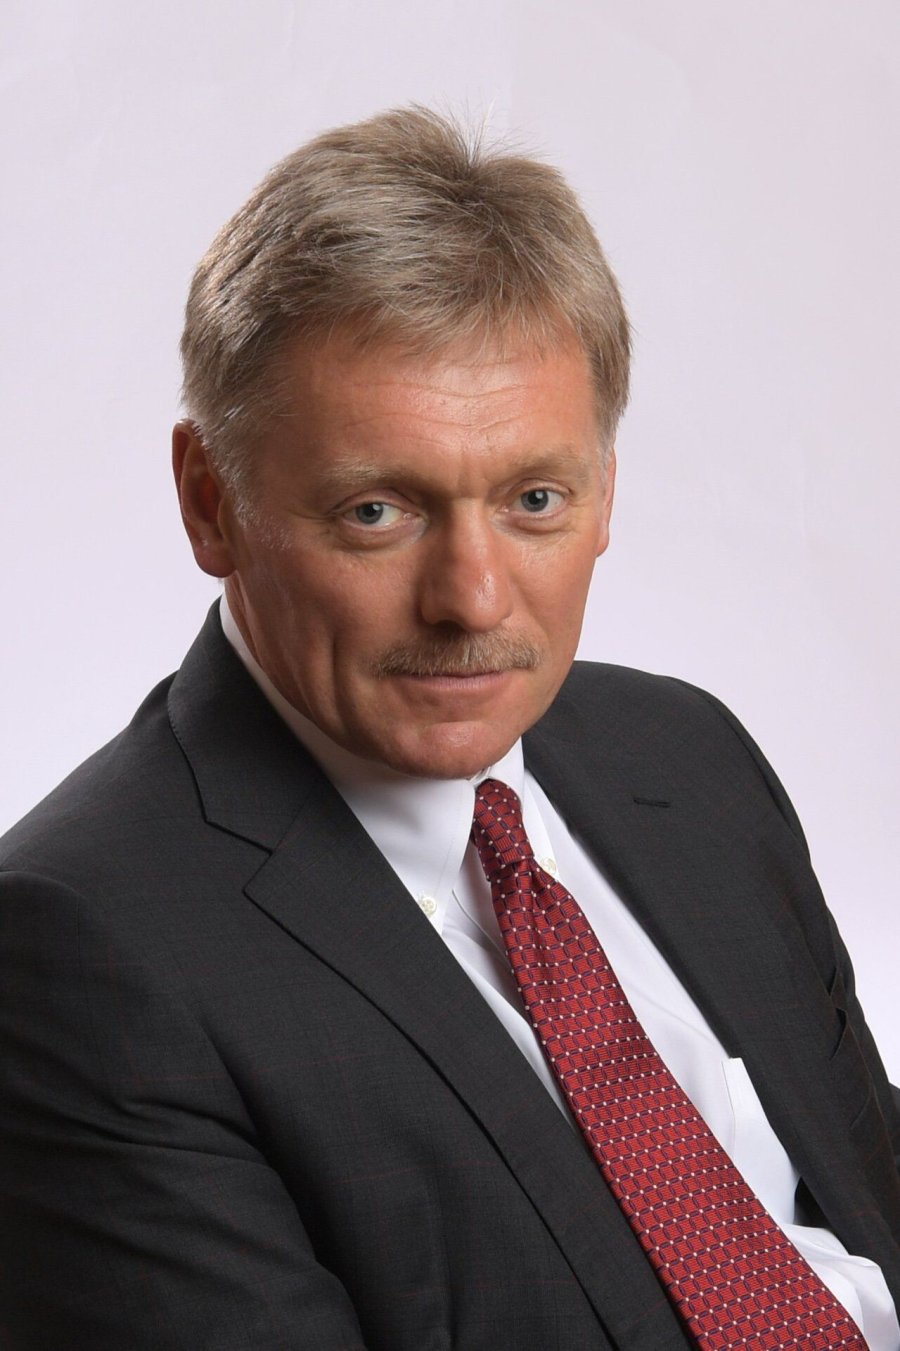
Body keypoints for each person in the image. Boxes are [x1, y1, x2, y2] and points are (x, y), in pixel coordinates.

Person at [0, 107, 897, 1351]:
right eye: (378, 511)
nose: (473, 599)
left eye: (534, 498)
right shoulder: (81, 953)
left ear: (604, 494)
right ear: (211, 502)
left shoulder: (686, 758)